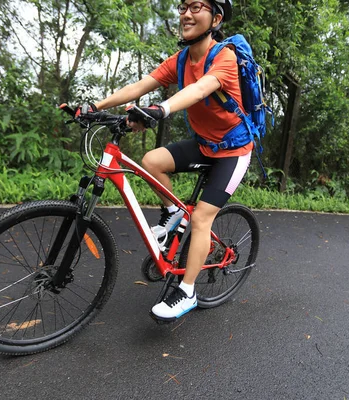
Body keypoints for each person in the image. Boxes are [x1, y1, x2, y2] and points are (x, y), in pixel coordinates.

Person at [76, 0, 252, 321]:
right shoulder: (182, 59)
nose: (186, 13)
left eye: (197, 6)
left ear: (216, 18)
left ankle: (186, 291)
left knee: (201, 219)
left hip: (233, 151)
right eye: (183, 6)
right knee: (151, 160)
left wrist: (160, 109)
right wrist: (93, 106)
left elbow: (200, 90)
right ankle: (172, 215)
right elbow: (140, 86)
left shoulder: (224, 58)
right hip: (203, 143)